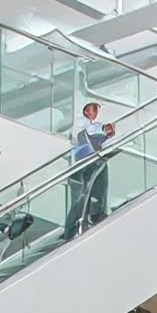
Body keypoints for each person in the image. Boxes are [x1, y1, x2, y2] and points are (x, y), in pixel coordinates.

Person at [61, 102, 113, 239]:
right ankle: (71, 230)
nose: (91, 113)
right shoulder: (83, 126)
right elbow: (83, 135)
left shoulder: (93, 125)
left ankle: (95, 215)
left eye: (93, 110)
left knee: (96, 191)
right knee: (80, 198)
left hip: (93, 161)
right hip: (81, 164)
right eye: (89, 110)